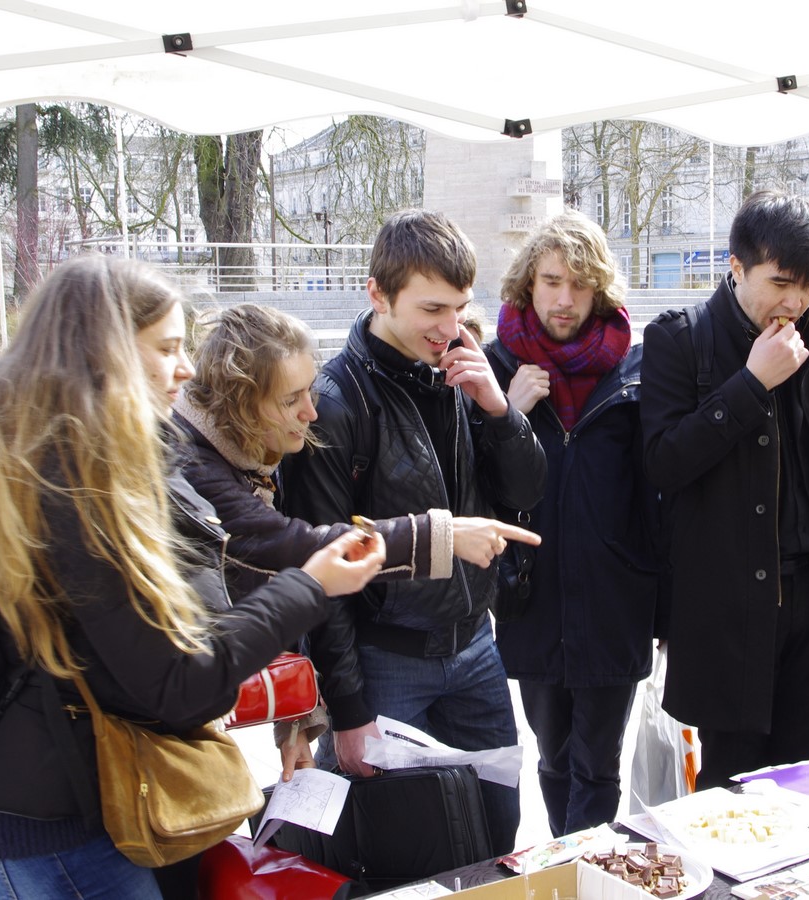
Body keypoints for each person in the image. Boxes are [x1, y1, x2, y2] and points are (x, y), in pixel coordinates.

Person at [0, 256, 386, 899]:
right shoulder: (72, 487)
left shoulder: (29, 453)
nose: (187, 366)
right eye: (168, 347)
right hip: (57, 827)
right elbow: (179, 682)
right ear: (104, 354)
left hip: (25, 804)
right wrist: (308, 589)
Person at [174, 303, 540, 778]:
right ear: (239, 400)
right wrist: (441, 534)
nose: (310, 411)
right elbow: (295, 549)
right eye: (291, 400)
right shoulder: (195, 466)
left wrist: (295, 715)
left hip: (471, 640)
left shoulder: (249, 452)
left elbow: (274, 582)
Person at [280, 209, 546, 853]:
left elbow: (529, 491)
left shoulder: (460, 370)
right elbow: (323, 573)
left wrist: (501, 411)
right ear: (377, 293)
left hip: (475, 649)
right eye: (432, 309)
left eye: (459, 307)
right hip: (385, 660)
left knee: (496, 833)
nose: (449, 327)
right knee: (405, 851)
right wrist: (347, 711)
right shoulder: (337, 402)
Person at [640, 191, 809, 789]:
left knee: (801, 779)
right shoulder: (681, 337)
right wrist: (752, 383)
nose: (794, 301)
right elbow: (663, 463)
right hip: (727, 607)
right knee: (730, 787)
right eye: (779, 282)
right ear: (736, 265)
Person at [484, 211, 661, 836]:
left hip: (615, 598)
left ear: (601, 290)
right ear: (528, 284)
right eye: (552, 281)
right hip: (532, 593)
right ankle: (568, 862)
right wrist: (509, 413)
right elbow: (473, 483)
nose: (564, 299)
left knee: (598, 763)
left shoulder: (633, 369)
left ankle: (588, 871)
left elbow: (655, 491)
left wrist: (661, 603)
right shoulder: (494, 367)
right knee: (553, 755)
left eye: (579, 284)